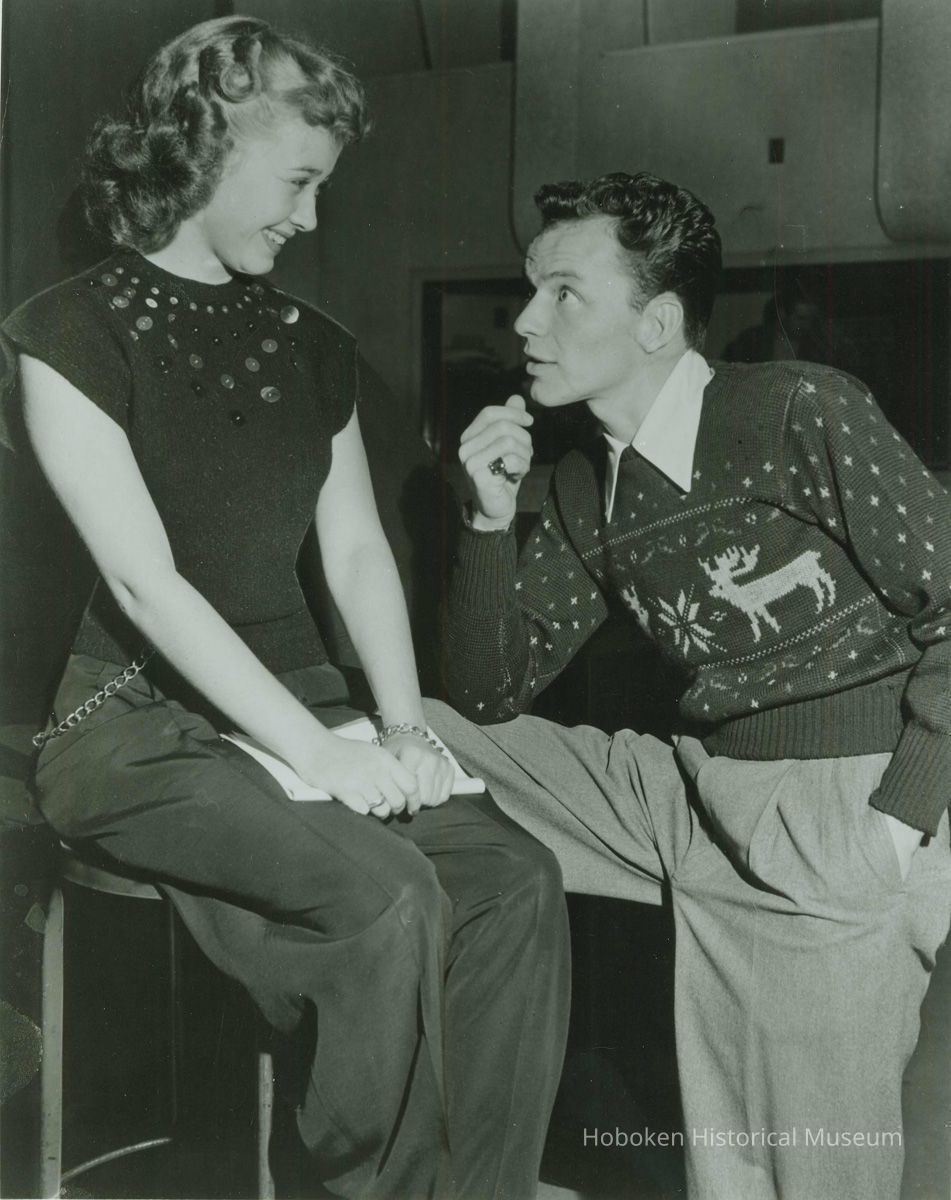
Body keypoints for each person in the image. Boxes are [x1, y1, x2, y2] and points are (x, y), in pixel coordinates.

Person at [0, 17, 570, 1198]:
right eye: (299, 181)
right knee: (385, 893)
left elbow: (357, 550)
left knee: (516, 882)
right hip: (132, 726)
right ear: (206, 148)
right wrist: (316, 748)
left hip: (298, 716)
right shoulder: (67, 332)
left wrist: (402, 726)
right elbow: (142, 581)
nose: (311, 219)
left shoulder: (311, 345)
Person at [426, 171, 951, 1200]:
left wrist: (898, 820)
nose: (528, 320)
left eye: (564, 293)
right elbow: (490, 693)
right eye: (531, 291)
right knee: (421, 727)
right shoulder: (584, 483)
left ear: (659, 320)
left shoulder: (798, 407)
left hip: (844, 804)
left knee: (815, 1175)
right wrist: (487, 525)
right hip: (697, 793)